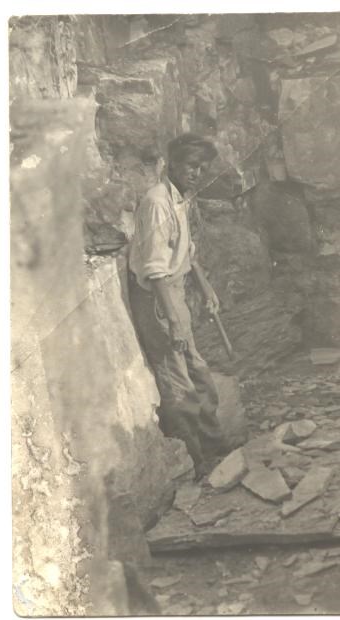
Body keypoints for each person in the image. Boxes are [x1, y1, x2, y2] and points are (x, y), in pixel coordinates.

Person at [127, 133, 236, 479]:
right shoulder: (158, 203)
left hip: (175, 293)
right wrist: (172, 318)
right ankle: (199, 462)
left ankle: (218, 447)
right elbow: (155, 269)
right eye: (191, 165)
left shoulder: (180, 199)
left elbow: (187, 254)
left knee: (200, 374)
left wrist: (206, 289)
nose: (197, 172)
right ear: (173, 163)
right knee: (180, 385)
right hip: (158, 299)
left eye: (202, 167)